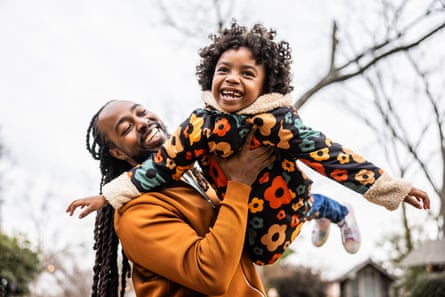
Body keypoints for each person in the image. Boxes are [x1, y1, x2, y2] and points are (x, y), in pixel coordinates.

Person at [71, 22, 430, 265]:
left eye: (247, 73)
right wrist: (109, 195)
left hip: (283, 209)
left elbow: (331, 155)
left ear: (265, 83)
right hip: (242, 227)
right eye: (223, 70)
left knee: (304, 206)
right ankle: (320, 215)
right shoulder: (199, 126)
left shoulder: (279, 123)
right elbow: (163, 165)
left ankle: (335, 213)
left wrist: (389, 187)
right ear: (210, 75)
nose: (232, 79)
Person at [67, 99, 276, 297]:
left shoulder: (194, 178)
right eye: (126, 129)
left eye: (142, 112)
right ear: (118, 154)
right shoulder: (138, 212)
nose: (141, 123)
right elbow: (211, 275)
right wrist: (239, 185)